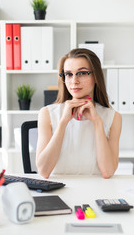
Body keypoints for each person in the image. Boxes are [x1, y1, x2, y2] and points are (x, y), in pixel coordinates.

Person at [36, 48, 122, 179]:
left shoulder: (113, 117)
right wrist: (63, 122)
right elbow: (43, 171)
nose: (74, 81)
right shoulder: (47, 113)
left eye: (82, 73)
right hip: (58, 190)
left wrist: (97, 123)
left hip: (97, 190)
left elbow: (108, 172)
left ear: (96, 76)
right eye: (69, 74)